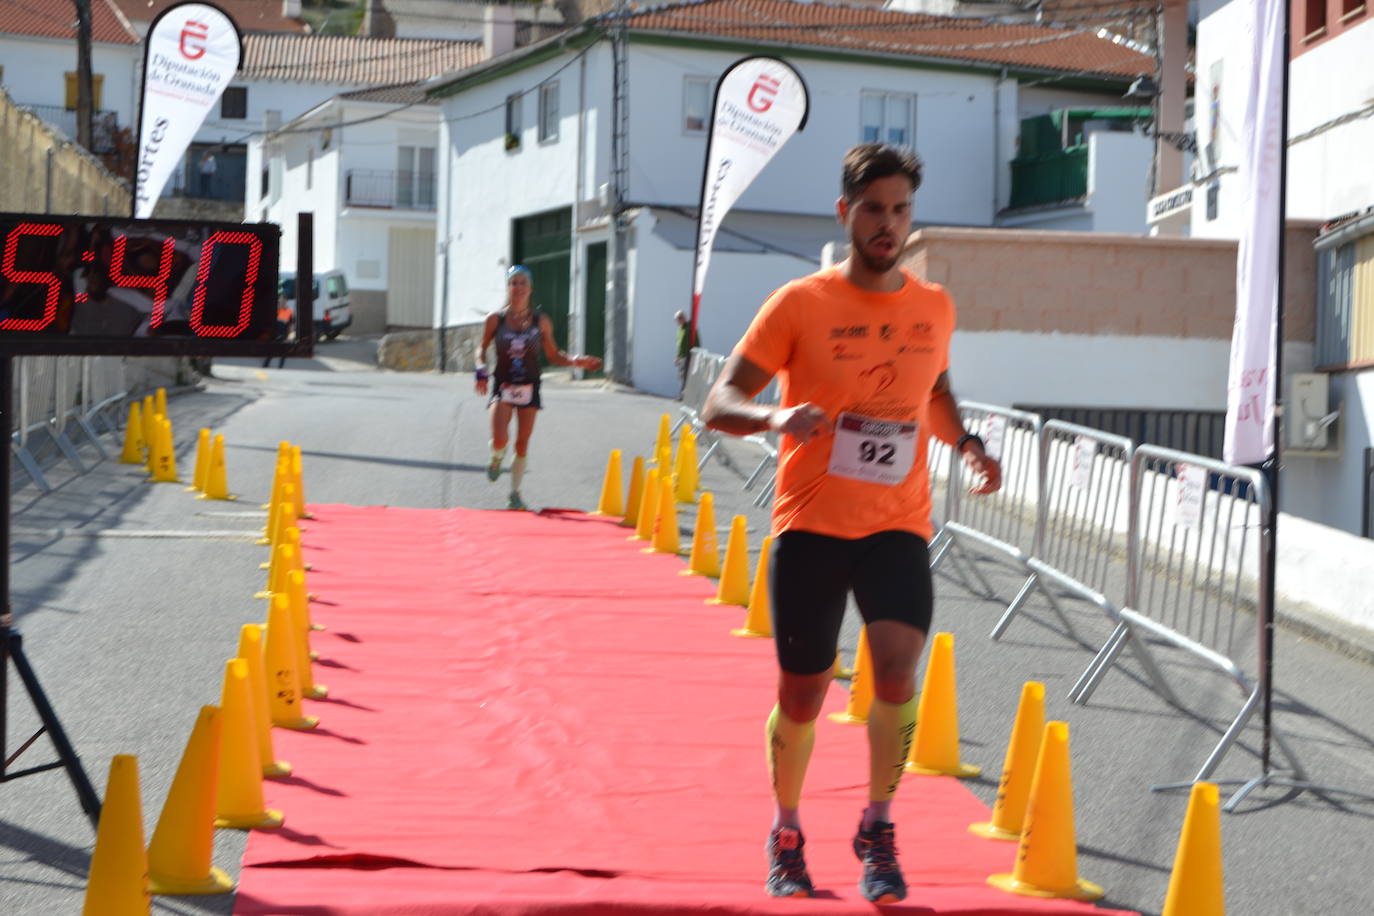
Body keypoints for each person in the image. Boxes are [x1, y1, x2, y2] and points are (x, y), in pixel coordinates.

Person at [701, 143, 1002, 904]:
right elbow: (719, 402)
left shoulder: (934, 306)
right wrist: (775, 415)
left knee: (897, 674)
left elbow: (934, 391)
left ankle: (877, 826)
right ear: (845, 213)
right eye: (873, 209)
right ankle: (787, 829)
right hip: (811, 525)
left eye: (900, 210)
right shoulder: (800, 303)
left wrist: (964, 442)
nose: (887, 223)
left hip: (897, 523)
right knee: (804, 694)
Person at [475, 265, 602, 510]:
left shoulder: (540, 321)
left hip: (530, 386)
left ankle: (514, 494)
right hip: (503, 385)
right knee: (500, 438)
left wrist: (578, 360)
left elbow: (554, 355)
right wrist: (480, 368)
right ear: (508, 287)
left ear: (530, 288)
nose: (518, 288)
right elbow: (481, 347)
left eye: (523, 283)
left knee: (522, 444)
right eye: (514, 283)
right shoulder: (495, 319)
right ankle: (496, 456)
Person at [674, 309, 700, 397]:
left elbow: (696, 342)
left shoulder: (690, 328)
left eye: (679, 318)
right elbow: (679, 344)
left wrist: (696, 355)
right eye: (677, 319)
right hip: (681, 357)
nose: (678, 321)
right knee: (682, 376)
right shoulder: (680, 329)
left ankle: (685, 396)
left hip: (688, 356)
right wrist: (677, 357)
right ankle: (682, 395)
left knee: (686, 376)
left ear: (683, 318)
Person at [263, 293, 293, 368]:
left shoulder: (288, 312)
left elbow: (290, 325)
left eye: (284, 300)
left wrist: (289, 337)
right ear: (279, 300)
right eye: (281, 300)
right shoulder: (275, 310)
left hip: (283, 335)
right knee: (271, 351)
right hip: (274, 335)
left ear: (286, 301)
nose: (282, 302)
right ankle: (266, 365)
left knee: (283, 353)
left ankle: (280, 368)